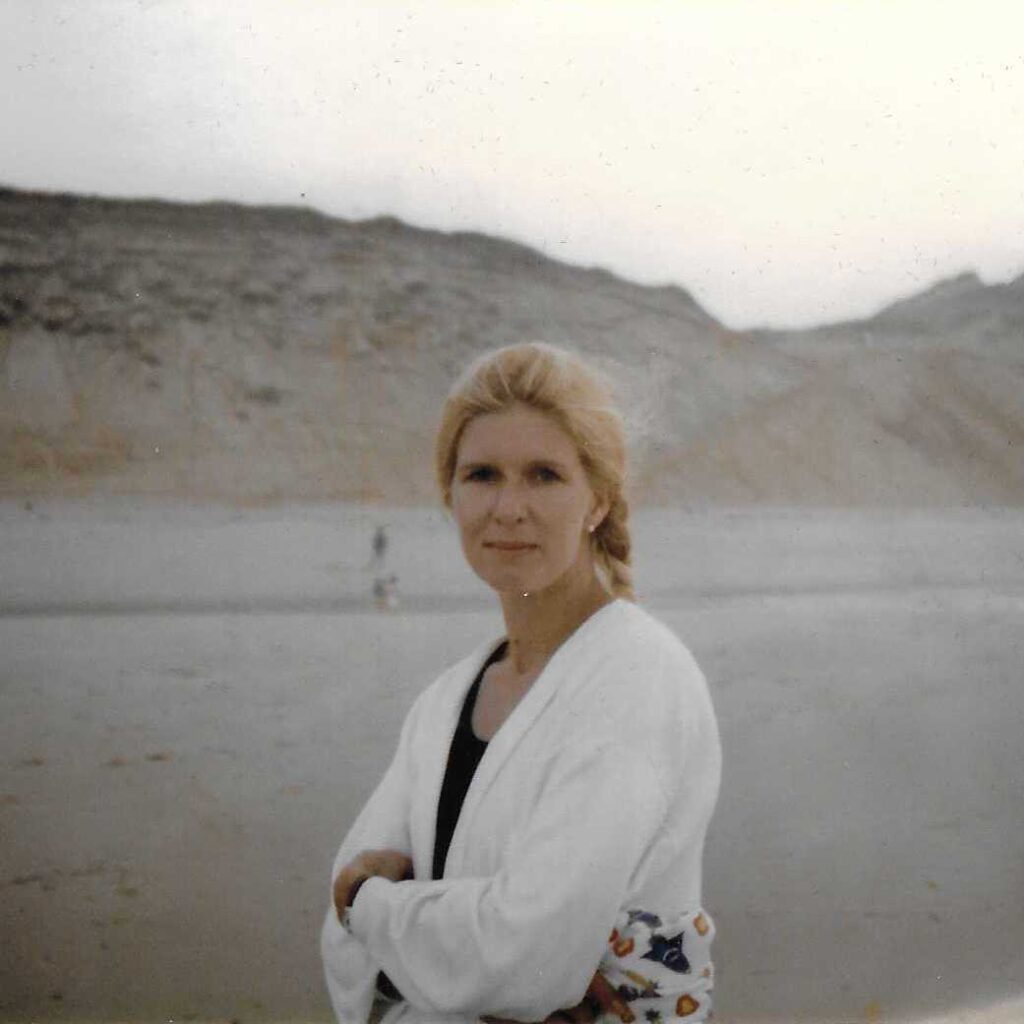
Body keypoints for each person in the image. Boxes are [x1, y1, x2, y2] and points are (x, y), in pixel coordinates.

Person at [321, 342, 722, 1024]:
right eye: (482, 475)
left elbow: (521, 955)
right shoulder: (444, 703)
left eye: (543, 475)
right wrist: (411, 923)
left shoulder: (637, 678)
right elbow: (337, 934)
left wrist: (380, 907)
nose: (508, 507)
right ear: (450, 494)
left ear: (597, 499)